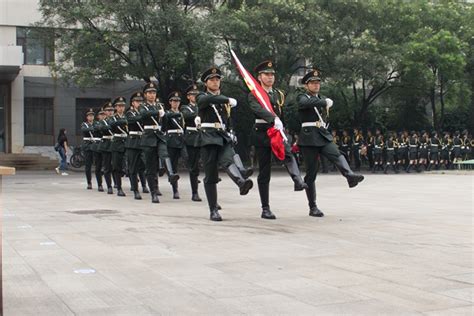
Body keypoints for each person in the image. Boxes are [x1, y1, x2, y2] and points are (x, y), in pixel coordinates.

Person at [296, 69, 364, 217]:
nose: (316, 85)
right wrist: (323, 101)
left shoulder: (321, 98)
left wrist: (323, 101)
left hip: (323, 135)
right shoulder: (303, 96)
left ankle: (350, 175)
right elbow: (304, 103)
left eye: (318, 83)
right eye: (313, 83)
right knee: (311, 173)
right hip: (309, 138)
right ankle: (312, 206)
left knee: (336, 153)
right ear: (306, 85)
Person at [247, 60, 307, 220]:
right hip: (261, 133)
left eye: (272, 74)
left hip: (277, 132)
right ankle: (265, 208)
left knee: (289, 155)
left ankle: (298, 180)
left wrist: (287, 130)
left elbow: (284, 113)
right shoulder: (254, 94)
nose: (270, 77)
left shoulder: (278, 94)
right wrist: (273, 118)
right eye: (266, 74)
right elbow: (257, 109)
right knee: (265, 171)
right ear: (259, 77)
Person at [196, 66, 253, 221]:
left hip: (222, 136)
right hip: (208, 138)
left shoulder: (224, 101)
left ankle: (241, 182)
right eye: (212, 79)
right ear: (206, 83)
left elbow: (227, 120)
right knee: (211, 176)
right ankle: (213, 209)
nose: (215, 82)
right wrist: (227, 99)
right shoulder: (202, 96)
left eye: (217, 79)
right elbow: (208, 100)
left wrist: (231, 131)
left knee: (228, 159)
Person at [139, 82, 179, 203]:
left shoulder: (159, 106)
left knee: (164, 154)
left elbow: (165, 120)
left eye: (154, 93)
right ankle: (153, 192)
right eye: (150, 93)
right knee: (151, 168)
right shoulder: (143, 106)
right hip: (149, 137)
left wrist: (164, 127)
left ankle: (171, 174)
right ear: (145, 95)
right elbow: (143, 114)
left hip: (159, 136)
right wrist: (158, 113)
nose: (152, 95)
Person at [181, 84, 203, 202]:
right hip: (192, 138)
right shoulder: (186, 108)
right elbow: (186, 116)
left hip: (203, 136)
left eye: (197, 94)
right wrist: (200, 114)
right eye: (193, 95)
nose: (195, 96)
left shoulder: (202, 106)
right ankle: (195, 192)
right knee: (193, 166)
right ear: (188, 96)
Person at [125, 92, 148, 200]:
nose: (139, 103)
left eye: (141, 101)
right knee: (133, 167)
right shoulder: (129, 113)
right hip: (133, 142)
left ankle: (145, 185)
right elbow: (132, 120)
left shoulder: (145, 112)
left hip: (143, 141)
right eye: (137, 102)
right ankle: (135, 190)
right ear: (133, 103)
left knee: (144, 166)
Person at [164, 91, 187, 199]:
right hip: (172, 141)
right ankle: (175, 190)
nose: (176, 103)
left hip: (181, 140)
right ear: (170, 102)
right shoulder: (167, 113)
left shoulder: (182, 113)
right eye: (174, 101)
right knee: (173, 167)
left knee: (188, 157)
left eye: (178, 101)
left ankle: (193, 175)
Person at [110, 97, 128, 197]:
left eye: (122, 106)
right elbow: (112, 124)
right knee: (117, 166)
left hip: (127, 141)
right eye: (119, 106)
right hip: (117, 142)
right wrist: (125, 121)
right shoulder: (113, 118)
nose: (121, 108)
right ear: (116, 107)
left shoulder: (127, 116)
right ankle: (119, 188)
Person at [98, 102, 115, 194]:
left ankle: (117, 184)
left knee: (116, 166)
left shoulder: (117, 119)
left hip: (116, 144)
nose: (110, 112)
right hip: (106, 145)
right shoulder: (102, 122)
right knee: (107, 167)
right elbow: (102, 128)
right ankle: (109, 186)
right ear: (104, 112)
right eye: (108, 110)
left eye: (112, 110)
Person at [80, 108, 96, 188]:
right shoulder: (84, 124)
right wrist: (93, 128)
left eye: (92, 115)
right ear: (87, 117)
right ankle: (89, 182)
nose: (91, 117)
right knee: (88, 165)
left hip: (95, 145)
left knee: (98, 164)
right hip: (87, 146)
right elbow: (84, 130)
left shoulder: (96, 124)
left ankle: (99, 182)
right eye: (89, 116)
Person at [92, 109, 105, 191]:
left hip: (107, 146)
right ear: (98, 116)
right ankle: (100, 184)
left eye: (104, 114)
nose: (103, 116)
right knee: (98, 166)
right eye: (101, 114)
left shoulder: (109, 122)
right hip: (97, 147)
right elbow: (99, 128)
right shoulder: (95, 123)